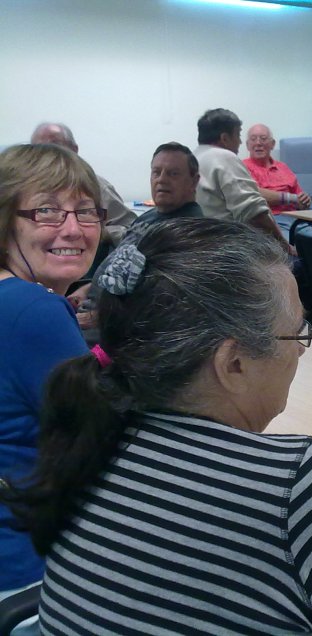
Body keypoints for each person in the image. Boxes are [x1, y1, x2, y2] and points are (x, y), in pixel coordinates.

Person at [0, 217, 312, 635]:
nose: (301, 350)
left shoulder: (92, 436)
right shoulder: (301, 487)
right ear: (233, 363)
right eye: (297, 333)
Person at [0, 144, 102, 613]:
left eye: (86, 211)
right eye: (46, 211)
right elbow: (110, 439)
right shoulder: (34, 310)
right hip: (28, 572)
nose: (73, 228)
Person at [67, 142, 205, 325]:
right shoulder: (150, 216)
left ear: (194, 181)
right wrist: (87, 289)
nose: (161, 180)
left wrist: (97, 318)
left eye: (173, 174)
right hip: (90, 307)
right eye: (156, 172)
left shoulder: (186, 231)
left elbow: (162, 302)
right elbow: (120, 267)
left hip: (113, 326)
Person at [193, 108, 290, 249]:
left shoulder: (194, 157)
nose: (239, 142)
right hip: (230, 245)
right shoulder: (224, 157)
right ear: (225, 138)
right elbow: (254, 213)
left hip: (203, 242)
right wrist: (284, 246)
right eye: (238, 135)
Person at [30, 122, 134, 245]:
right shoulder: (23, 186)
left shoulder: (96, 186)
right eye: (38, 148)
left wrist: (95, 231)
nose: (47, 154)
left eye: (55, 146)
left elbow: (130, 228)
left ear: (74, 150)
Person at [243, 123, 312, 239]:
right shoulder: (242, 167)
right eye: (253, 139)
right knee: (290, 249)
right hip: (268, 222)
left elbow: (299, 200)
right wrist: (292, 198)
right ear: (248, 145)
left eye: (263, 138)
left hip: (296, 219)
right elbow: (253, 194)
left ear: (272, 144)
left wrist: (304, 200)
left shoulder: (283, 167)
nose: (258, 143)